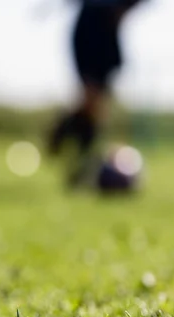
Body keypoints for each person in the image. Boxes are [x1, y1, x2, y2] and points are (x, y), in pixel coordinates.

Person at [44, 0, 146, 186]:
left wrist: (119, 12)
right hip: (90, 29)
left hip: (109, 33)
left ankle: (78, 160)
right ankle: (67, 139)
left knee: (96, 109)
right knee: (91, 101)